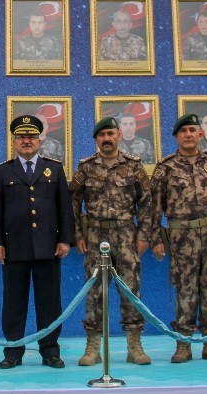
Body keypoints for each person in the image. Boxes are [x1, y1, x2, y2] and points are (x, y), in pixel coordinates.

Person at [0, 115, 74, 369]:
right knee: (14, 302)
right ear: (14, 141)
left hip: (48, 248)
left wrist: (65, 240)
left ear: (40, 140)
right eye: (22, 137)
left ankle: (50, 351)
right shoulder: (3, 171)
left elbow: (64, 210)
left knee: (49, 303)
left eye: (31, 136)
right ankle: (13, 351)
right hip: (13, 249)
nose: (27, 141)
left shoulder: (54, 169)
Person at [150, 114, 207, 363]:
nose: (188, 134)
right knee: (184, 288)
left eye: (192, 130)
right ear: (176, 137)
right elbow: (154, 208)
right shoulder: (165, 168)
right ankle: (183, 343)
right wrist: (155, 238)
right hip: (180, 235)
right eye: (183, 131)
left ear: (200, 134)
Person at [71, 117, 153, 366]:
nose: (106, 139)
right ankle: (92, 346)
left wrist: (144, 235)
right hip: (96, 236)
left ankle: (134, 344)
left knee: (130, 291)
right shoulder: (86, 167)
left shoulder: (134, 166)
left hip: (127, 235)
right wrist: (78, 234)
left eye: (110, 134)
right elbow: (73, 202)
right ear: (96, 139)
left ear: (119, 135)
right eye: (101, 135)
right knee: (94, 292)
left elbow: (147, 201)